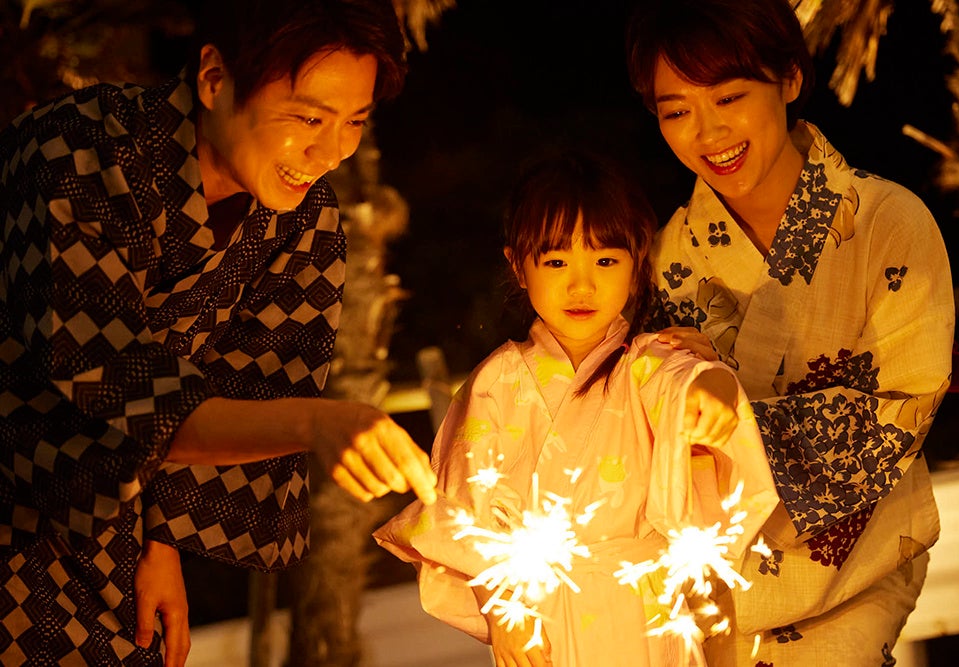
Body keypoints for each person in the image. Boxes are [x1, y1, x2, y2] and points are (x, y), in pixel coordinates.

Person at [0, 1, 438, 664]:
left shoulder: (303, 218)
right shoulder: (77, 152)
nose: (329, 153)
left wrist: (161, 540)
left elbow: (248, 391)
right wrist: (319, 422)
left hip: (112, 528)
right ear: (214, 78)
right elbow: (107, 374)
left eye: (354, 122)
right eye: (308, 118)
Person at [624, 1, 955, 664]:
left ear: (790, 79)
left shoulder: (888, 222)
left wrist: (733, 418)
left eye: (729, 97)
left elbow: (904, 406)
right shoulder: (666, 259)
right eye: (676, 111)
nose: (707, 131)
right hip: (713, 588)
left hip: (855, 572)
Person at [374, 150, 779, 667]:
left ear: (637, 267)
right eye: (557, 262)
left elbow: (685, 382)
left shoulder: (649, 363)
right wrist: (502, 609)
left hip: (646, 612)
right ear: (518, 267)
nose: (581, 285)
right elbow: (462, 507)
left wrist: (714, 388)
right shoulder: (496, 382)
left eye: (606, 261)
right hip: (536, 616)